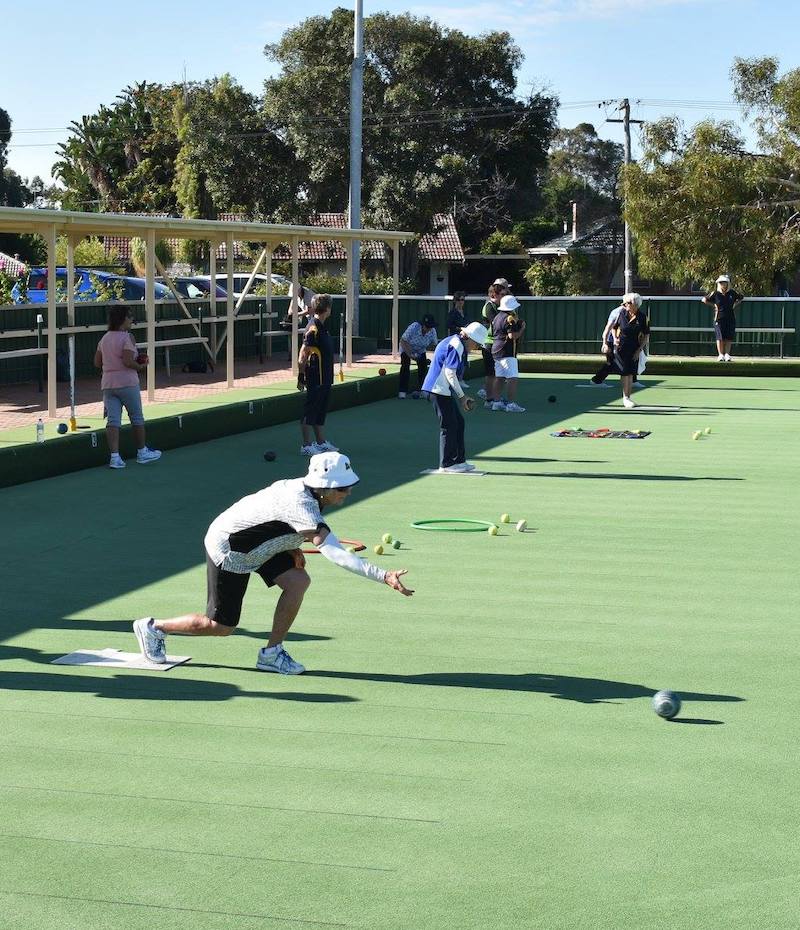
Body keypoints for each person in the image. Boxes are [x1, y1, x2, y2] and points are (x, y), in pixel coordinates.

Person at [133, 452, 413, 674]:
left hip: (258, 542)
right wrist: (383, 575)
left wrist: (290, 544)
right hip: (231, 549)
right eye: (343, 489)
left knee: (298, 581)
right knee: (220, 626)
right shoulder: (301, 505)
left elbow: (273, 522)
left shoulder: (308, 493)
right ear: (324, 488)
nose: (348, 493)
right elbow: (334, 552)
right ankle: (154, 628)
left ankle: (271, 653)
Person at [93, 306, 161, 469]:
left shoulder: (104, 338)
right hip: (127, 383)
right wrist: (141, 366)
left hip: (108, 384)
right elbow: (128, 361)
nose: (132, 320)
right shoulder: (127, 337)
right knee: (137, 417)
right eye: (130, 316)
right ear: (122, 319)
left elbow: (96, 362)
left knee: (113, 420)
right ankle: (142, 452)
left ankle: (115, 457)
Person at [421, 322, 488, 473]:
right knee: (449, 426)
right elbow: (449, 373)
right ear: (469, 338)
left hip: (442, 390)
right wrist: (462, 397)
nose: (476, 347)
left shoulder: (456, 342)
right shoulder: (456, 345)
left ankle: (459, 461)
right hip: (436, 390)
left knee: (458, 422)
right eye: (476, 343)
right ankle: (446, 464)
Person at [298, 294, 337, 455]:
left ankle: (320, 442)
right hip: (315, 376)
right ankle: (306, 445)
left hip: (325, 377)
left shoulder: (322, 327)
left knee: (320, 409)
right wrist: (301, 377)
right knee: (310, 409)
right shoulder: (313, 329)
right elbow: (303, 355)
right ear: (327, 309)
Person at [610, 293, 650, 408]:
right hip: (621, 347)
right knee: (624, 372)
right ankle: (625, 398)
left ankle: (628, 397)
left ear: (636, 304)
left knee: (630, 372)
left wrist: (639, 350)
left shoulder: (643, 317)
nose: (625, 305)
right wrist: (615, 339)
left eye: (628, 303)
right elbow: (614, 328)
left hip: (634, 348)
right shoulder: (621, 313)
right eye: (625, 303)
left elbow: (646, 336)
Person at [488, 294, 526, 412]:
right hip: (507, 351)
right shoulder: (509, 318)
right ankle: (511, 404)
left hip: (496, 350)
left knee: (499, 377)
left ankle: (496, 402)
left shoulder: (497, 317)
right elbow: (512, 336)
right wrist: (522, 328)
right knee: (512, 378)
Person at [702, 274, 743, 361]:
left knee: (728, 337)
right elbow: (704, 300)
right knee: (719, 337)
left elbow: (740, 298)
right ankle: (720, 354)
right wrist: (714, 305)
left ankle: (727, 354)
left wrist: (734, 305)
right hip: (719, 318)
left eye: (724, 282)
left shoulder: (732, 293)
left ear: (727, 284)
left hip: (730, 318)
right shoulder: (715, 294)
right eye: (721, 283)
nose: (722, 284)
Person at [398, 313, 438, 398]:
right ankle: (402, 391)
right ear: (422, 325)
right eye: (427, 326)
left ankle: (421, 390)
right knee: (405, 365)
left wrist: (434, 358)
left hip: (420, 350)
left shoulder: (432, 331)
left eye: (430, 327)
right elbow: (403, 341)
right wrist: (410, 354)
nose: (429, 329)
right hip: (407, 347)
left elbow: (434, 346)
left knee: (423, 367)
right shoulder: (414, 327)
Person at [477, 284, 503, 403]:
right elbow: (497, 322)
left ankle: (494, 397)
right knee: (490, 373)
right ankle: (489, 399)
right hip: (488, 343)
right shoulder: (488, 306)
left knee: (497, 373)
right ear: (494, 294)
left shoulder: (500, 306)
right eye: (501, 294)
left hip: (497, 343)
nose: (504, 297)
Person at [446, 292, 470, 388]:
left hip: (465, 338)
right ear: (455, 301)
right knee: (456, 358)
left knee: (464, 358)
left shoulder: (465, 312)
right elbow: (449, 325)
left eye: (463, 300)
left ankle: (461, 379)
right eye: (459, 300)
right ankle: (454, 379)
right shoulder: (452, 313)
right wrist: (460, 329)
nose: (461, 302)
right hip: (456, 338)